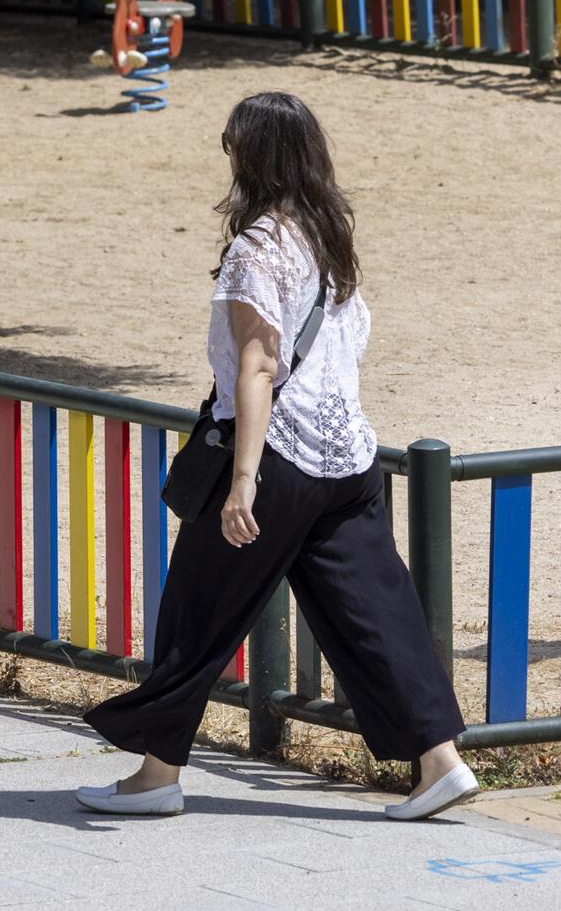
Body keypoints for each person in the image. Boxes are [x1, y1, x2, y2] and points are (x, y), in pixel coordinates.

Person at [76, 91, 475, 821]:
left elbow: (258, 366)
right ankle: (439, 760)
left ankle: (156, 775)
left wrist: (242, 482)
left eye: (231, 145)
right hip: (350, 459)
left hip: (279, 458)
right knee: (376, 610)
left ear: (252, 157)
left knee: (199, 611)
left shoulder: (259, 247)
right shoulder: (331, 240)